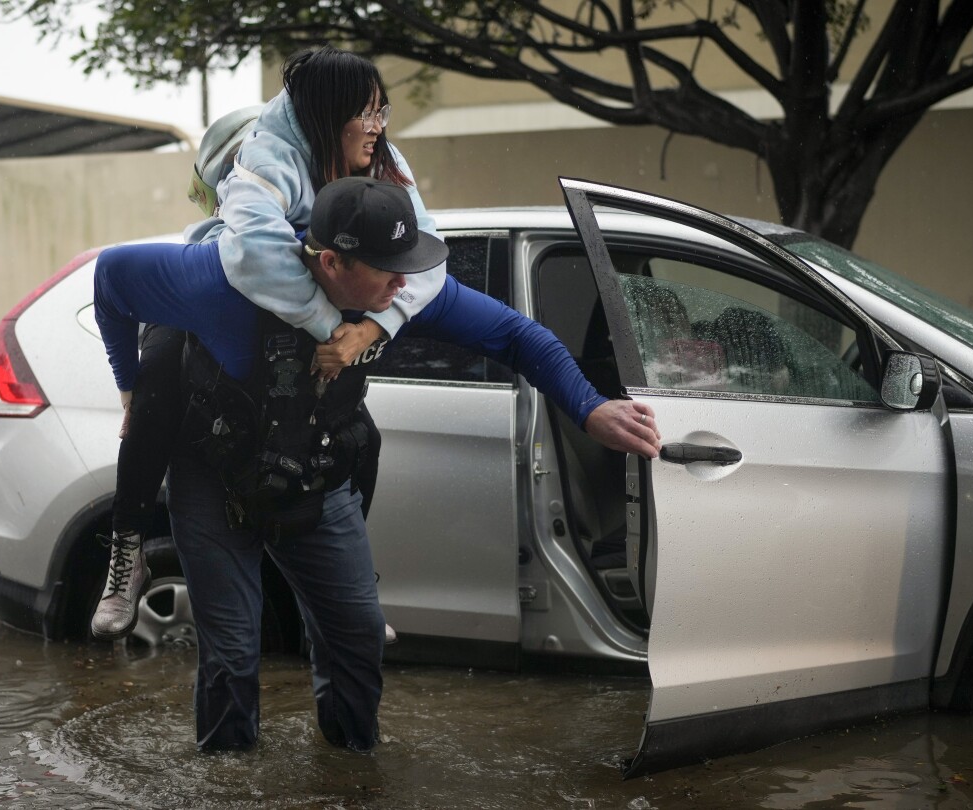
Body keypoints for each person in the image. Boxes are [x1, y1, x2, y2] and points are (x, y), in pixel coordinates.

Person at [92, 176, 663, 752]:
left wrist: (589, 409)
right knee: (234, 652)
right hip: (212, 474)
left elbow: (517, 336)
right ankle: (229, 780)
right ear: (333, 262)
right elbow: (111, 276)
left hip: (315, 470)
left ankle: (350, 770)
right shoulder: (221, 279)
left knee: (358, 639)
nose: (404, 281)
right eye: (389, 266)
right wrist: (128, 389)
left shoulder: (397, 293)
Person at [91, 46, 445, 642]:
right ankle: (128, 549)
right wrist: (327, 323)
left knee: (363, 437)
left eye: (383, 112)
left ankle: (355, 584)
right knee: (154, 394)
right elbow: (249, 252)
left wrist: (372, 328)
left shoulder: (380, 155)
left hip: (313, 375)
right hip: (223, 310)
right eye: (369, 114)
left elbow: (430, 248)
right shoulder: (264, 160)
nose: (380, 127)